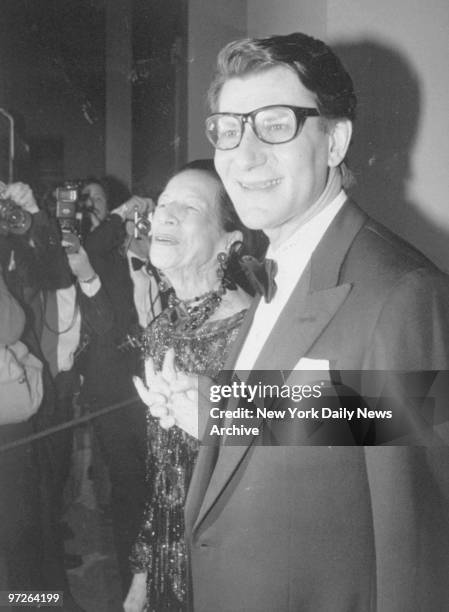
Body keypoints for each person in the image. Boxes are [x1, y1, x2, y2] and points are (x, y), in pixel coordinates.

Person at [136, 33, 449, 611]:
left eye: (275, 125)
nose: (243, 155)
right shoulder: (275, 269)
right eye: (228, 129)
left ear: (335, 140)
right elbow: (364, 413)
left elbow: (419, 547)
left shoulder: (403, 293)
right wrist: (215, 407)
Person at [124, 160, 266, 612]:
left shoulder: (257, 333)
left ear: (230, 241)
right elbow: (163, 477)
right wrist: (142, 575)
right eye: (163, 204)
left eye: (188, 207)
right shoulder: (161, 330)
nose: (164, 214)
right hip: (169, 559)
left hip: (236, 573)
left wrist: (227, 421)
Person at [79, 176, 162, 594]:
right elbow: (92, 245)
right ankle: (133, 580)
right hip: (113, 391)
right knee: (129, 486)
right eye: (85, 200)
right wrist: (119, 212)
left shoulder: (158, 258)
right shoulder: (99, 258)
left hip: (158, 388)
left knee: (159, 483)